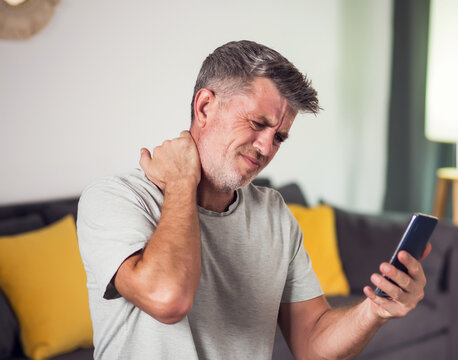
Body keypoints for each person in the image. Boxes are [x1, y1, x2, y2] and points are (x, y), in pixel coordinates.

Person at [77, 40, 431, 360]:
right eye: (257, 123)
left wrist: (375, 311)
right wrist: (183, 178)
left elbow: (312, 343)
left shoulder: (272, 213)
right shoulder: (115, 198)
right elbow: (168, 299)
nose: (266, 148)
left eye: (279, 137)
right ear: (204, 107)